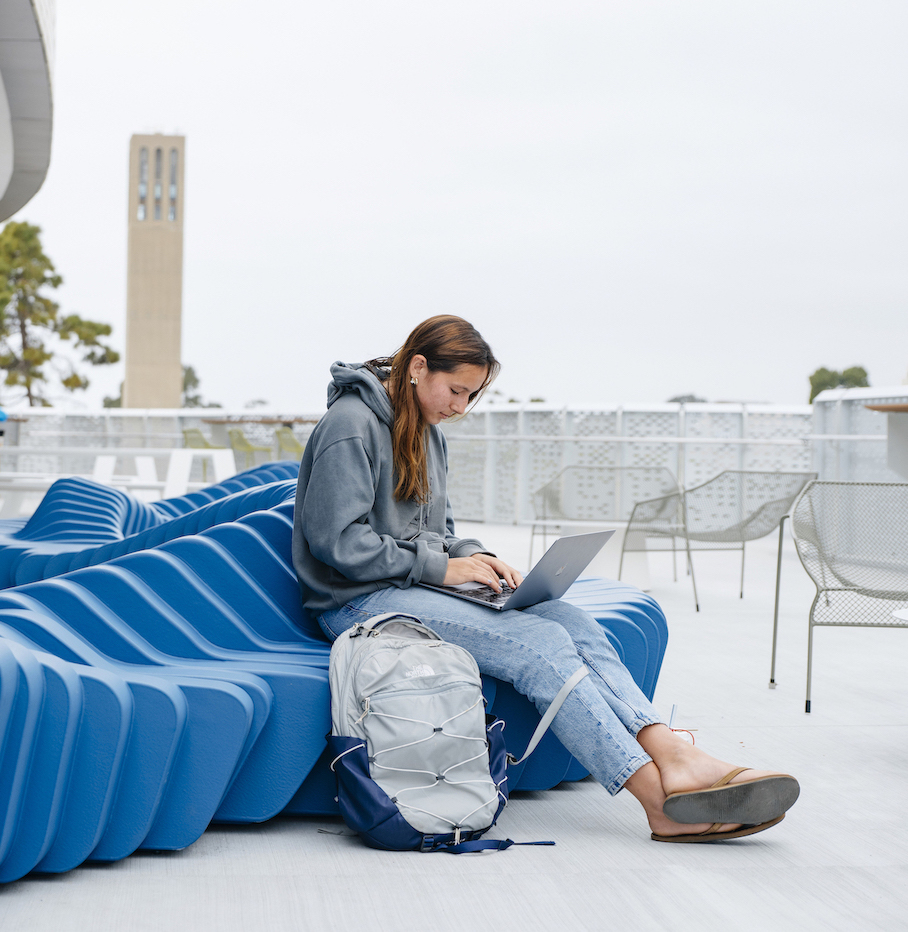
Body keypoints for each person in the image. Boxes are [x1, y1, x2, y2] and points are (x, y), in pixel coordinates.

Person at [293, 314, 799, 842]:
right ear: (418, 367)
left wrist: (476, 557)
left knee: (572, 622)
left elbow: (438, 531)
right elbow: (337, 543)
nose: (461, 408)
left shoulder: (426, 430)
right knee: (538, 645)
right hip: (358, 600)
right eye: (457, 390)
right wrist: (441, 567)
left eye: (472, 396)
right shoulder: (350, 424)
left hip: (413, 585)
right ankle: (659, 801)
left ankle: (674, 753)